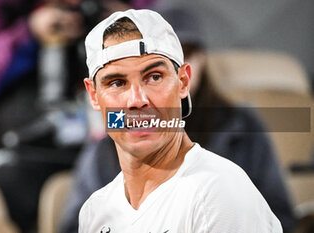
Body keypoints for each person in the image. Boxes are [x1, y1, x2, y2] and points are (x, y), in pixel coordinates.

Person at [59, 6, 295, 233]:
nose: (137, 100)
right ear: (93, 95)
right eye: (117, 82)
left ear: (183, 82)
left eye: (153, 77)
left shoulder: (219, 193)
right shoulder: (94, 210)